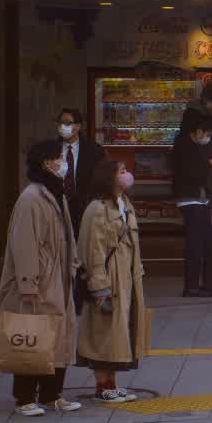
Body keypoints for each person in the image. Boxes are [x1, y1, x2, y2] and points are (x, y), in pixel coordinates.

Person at [0, 139, 82, 417]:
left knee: (59, 337)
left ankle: (51, 394)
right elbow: (25, 244)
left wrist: (74, 265)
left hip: (58, 277)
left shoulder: (56, 193)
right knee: (32, 336)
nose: (63, 162)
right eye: (59, 157)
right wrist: (28, 284)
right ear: (46, 162)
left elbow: (68, 236)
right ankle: (24, 398)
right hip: (42, 278)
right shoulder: (32, 198)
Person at [77, 160, 148, 403]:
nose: (127, 175)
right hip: (108, 279)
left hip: (127, 279)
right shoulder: (97, 209)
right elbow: (92, 249)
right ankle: (102, 386)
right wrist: (99, 285)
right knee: (103, 333)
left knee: (119, 332)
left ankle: (112, 384)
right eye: (122, 171)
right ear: (109, 177)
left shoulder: (125, 204)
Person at [171, 109, 212, 297]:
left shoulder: (201, 146)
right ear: (198, 130)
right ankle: (191, 286)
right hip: (188, 199)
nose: (208, 137)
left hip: (202, 198)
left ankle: (209, 283)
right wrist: (209, 165)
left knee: (209, 242)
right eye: (207, 133)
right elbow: (190, 173)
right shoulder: (183, 144)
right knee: (195, 243)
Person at [58, 107, 106, 230]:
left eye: (68, 123)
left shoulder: (94, 151)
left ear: (78, 126)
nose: (63, 126)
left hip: (86, 212)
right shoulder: (50, 150)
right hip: (58, 210)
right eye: (61, 123)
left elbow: (102, 182)